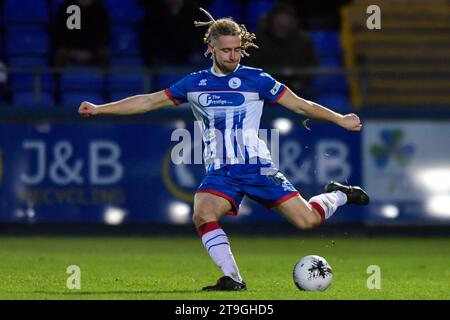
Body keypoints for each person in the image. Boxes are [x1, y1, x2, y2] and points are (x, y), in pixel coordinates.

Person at [78, 8, 369, 291]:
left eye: (237, 49)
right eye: (226, 50)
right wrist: (101, 109)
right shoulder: (194, 83)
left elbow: (301, 105)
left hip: (256, 166)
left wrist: (339, 119)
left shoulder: (258, 80)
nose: (233, 56)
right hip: (220, 170)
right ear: (211, 49)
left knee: (307, 221)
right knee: (203, 214)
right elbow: (148, 102)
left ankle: (337, 195)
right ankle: (233, 279)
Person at [246, 3, 317, 95]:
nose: (284, 20)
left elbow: (311, 63)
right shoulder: (258, 40)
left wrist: (301, 81)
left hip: (298, 87)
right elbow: (252, 64)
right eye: (280, 17)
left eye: (287, 17)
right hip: (266, 87)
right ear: (272, 19)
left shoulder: (303, 40)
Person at [52, 0, 111, 67]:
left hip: (93, 51)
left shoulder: (100, 10)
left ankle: (106, 76)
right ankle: (56, 77)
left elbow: (104, 35)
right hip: (69, 51)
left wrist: (90, 52)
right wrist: (73, 52)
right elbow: (59, 34)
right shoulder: (65, 8)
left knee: (104, 54)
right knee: (59, 54)